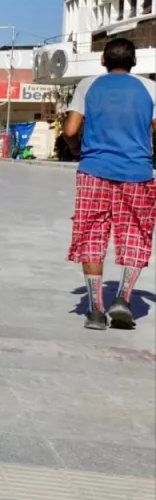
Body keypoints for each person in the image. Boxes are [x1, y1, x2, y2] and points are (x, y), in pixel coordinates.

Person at [63, 37, 156, 330]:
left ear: (103, 61)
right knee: (135, 235)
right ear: (134, 63)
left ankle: (94, 310)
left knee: (92, 233)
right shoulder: (151, 89)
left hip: (93, 171)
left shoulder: (88, 86)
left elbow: (70, 129)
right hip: (138, 173)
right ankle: (123, 299)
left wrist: (77, 148)